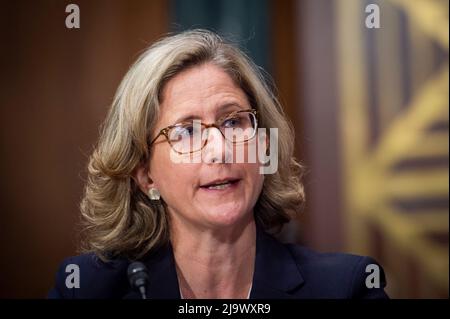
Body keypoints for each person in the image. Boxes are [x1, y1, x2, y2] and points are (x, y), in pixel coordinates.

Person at [48, 29, 388, 299]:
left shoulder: (346, 288)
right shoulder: (85, 289)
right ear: (145, 175)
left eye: (232, 122)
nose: (219, 149)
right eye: (186, 131)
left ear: (262, 147)